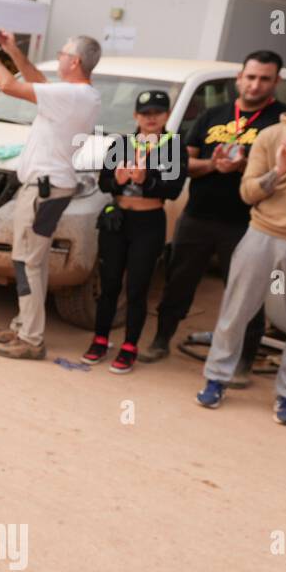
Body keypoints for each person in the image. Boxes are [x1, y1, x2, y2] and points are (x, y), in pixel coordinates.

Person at [140, 51, 286, 378]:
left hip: (250, 223)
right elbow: (186, 162)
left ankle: (243, 362)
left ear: (276, 82)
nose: (255, 84)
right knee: (178, 283)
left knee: (246, 295)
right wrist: (213, 165)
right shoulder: (213, 114)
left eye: (265, 78)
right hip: (198, 215)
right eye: (250, 77)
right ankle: (161, 340)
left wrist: (244, 164)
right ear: (240, 78)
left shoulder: (282, 121)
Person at [197, 61, 286, 425]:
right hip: (263, 234)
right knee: (236, 311)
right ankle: (216, 379)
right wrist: (282, 170)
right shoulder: (271, 136)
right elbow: (248, 193)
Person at [0, 30, 101, 359]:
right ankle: (24, 325)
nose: (59, 58)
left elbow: (7, 87)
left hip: (44, 188)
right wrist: (12, 51)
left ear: (74, 62)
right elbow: (37, 82)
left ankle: (31, 338)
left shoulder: (72, 95)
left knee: (27, 262)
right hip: (49, 186)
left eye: (62, 54)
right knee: (34, 260)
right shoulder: (78, 94)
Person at [79, 90, 185, 372]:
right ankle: (100, 339)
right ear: (136, 116)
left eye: (158, 113)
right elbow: (103, 182)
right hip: (118, 219)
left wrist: (146, 179)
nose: (151, 119)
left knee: (137, 287)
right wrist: (116, 179)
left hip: (149, 222)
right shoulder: (123, 143)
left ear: (166, 115)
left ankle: (129, 346)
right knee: (109, 283)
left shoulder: (173, 145)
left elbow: (173, 190)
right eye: (145, 113)